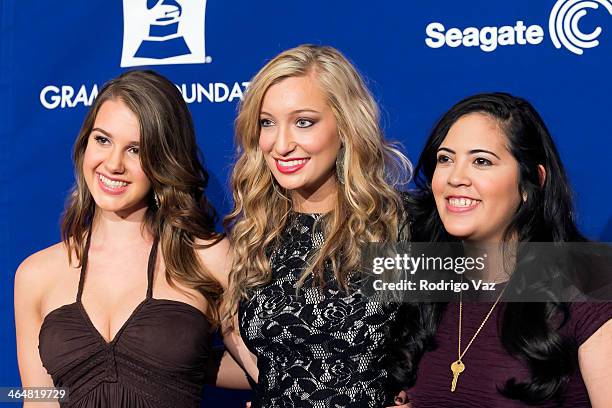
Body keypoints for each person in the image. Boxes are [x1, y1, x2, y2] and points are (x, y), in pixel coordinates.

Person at [15, 70, 249, 407]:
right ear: (84, 145)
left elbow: (266, 366)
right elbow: (39, 400)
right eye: (103, 140)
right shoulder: (35, 275)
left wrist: (183, 364)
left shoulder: (207, 257)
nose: (113, 164)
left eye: (136, 150)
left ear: (164, 160)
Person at [386, 93, 612, 407]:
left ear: (530, 183)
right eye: (445, 159)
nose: (455, 178)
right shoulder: (422, 285)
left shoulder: (593, 287)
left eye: (481, 161)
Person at [223, 44, 412, 407]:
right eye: (267, 123)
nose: (281, 145)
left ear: (345, 125)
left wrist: (426, 395)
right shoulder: (259, 235)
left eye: (304, 122)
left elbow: (535, 282)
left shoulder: (392, 226)